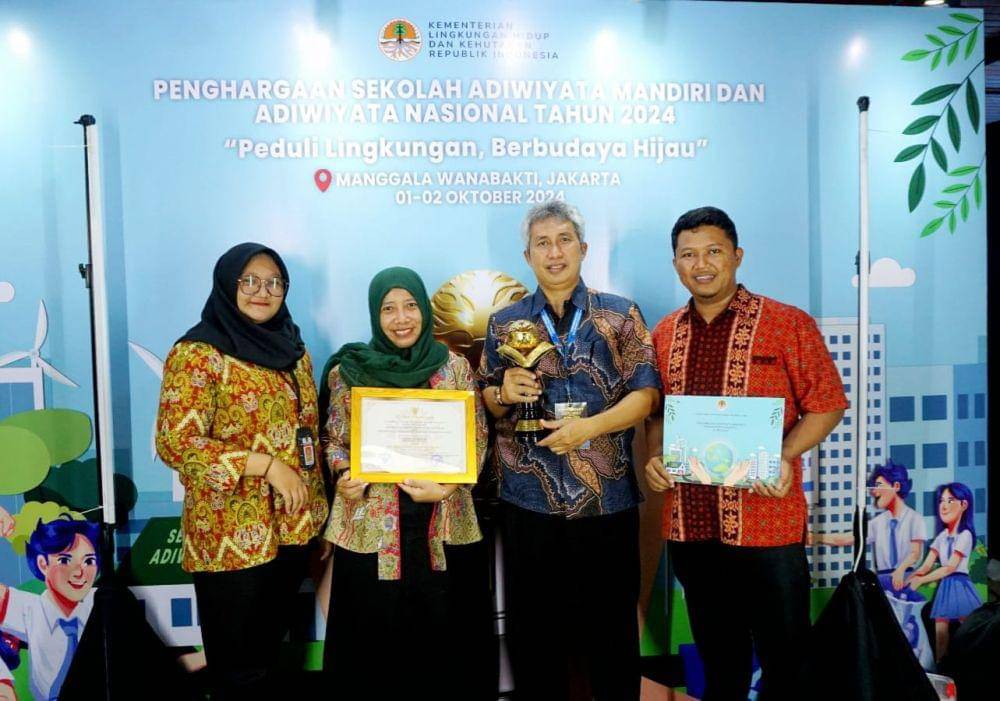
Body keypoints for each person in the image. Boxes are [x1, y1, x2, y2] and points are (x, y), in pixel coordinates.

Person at [645, 206, 846, 701]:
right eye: (688, 254)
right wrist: (656, 456)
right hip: (692, 525)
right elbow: (656, 415)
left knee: (786, 659)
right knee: (720, 662)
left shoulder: (786, 323)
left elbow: (827, 404)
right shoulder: (665, 334)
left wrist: (784, 454)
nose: (701, 264)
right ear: (675, 264)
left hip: (767, 522)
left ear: (737, 256)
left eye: (713, 251)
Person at [478, 201, 661, 699]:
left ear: (582, 248)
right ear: (527, 255)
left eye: (563, 240)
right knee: (534, 636)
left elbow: (646, 395)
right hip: (528, 503)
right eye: (542, 243)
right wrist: (502, 393)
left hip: (607, 500)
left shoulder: (620, 314)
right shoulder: (505, 323)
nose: (554, 252)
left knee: (612, 633)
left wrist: (588, 429)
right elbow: (485, 398)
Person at [156, 243, 328, 699]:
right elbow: (177, 443)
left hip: (291, 529)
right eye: (249, 281)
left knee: (267, 658)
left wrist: (318, 514)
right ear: (227, 284)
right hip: (229, 536)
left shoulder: (295, 351)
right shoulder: (198, 353)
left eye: (274, 282)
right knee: (238, 670)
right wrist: (266, 467)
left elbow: (307, 436)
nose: (261, 291)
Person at [320, 266, 489, 700]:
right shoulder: (348, 370)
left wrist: (448, 487)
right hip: (370, 528)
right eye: (388, 308)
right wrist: (343, 474)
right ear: (375, 315)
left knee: (444, 646)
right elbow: (333, 439)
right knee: (372, 649)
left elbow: (477, 437)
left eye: (410, 305)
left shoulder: (453, 367)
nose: (401, 318)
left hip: (443, 525)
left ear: (424, 310)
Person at [0, 516, 99, 701]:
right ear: (42, 564)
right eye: (64, 560)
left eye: (89, 561)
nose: (79, 572)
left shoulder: (101, 603)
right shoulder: (30, 610)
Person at [818, 459, 926, 592]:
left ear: (896, 486)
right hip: (883, 580)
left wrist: (900, 570)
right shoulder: (878, 523)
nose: (874, 491)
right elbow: (849, 538)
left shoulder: (915, 519)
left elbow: (915, 553)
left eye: (879, 485)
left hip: (905, 577)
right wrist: (816, 538)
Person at [908, 482, 982, 661]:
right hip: (946, 587)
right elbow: (926, 565)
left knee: (968, 631)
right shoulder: (941, 537)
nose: (944, 505)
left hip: (960, 585)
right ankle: (941, 664)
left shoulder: (965, 535)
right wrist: (911, 578)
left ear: (964, 505)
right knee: (940, 633)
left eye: (950, 500)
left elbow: (950, 567)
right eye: (941, 500)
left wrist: (922, 580)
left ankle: (971, 663)